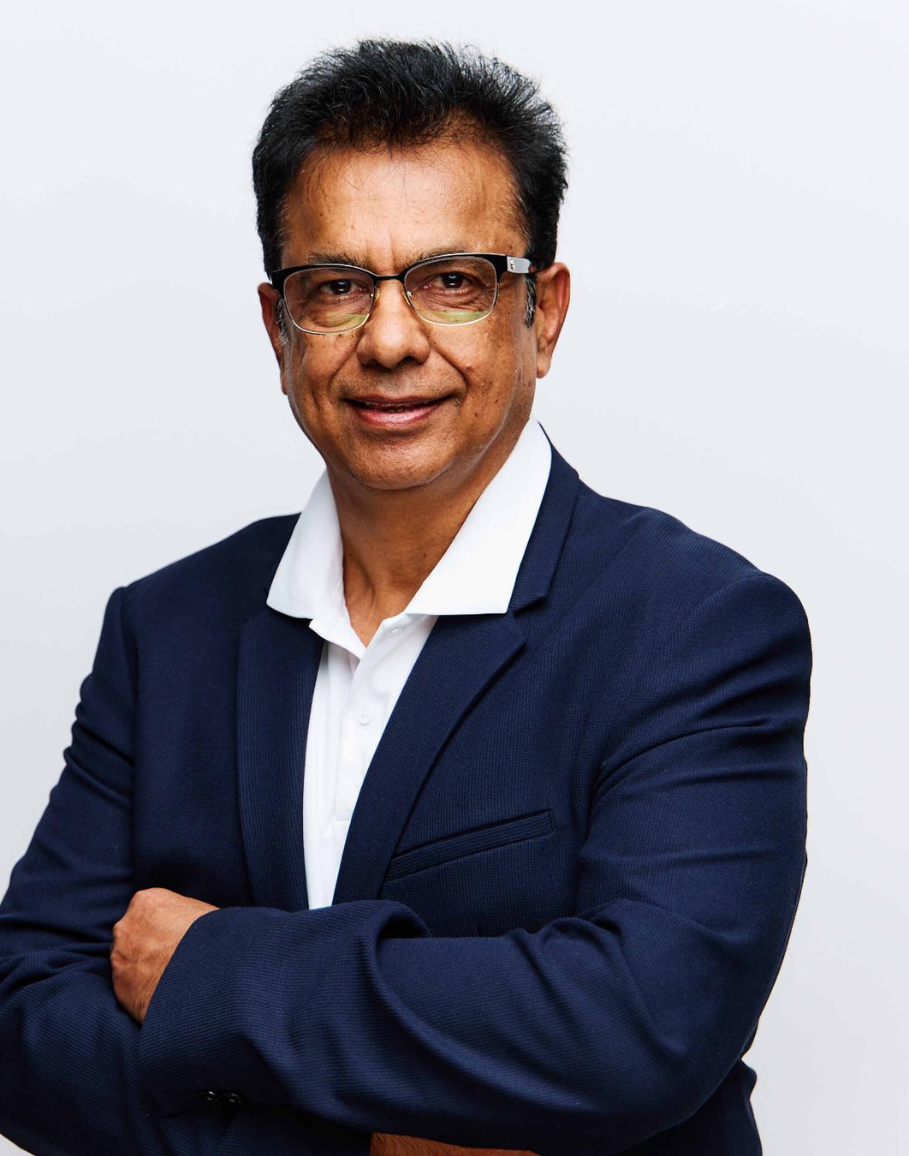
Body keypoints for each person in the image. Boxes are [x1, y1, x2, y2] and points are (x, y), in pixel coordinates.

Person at [0, 38, 812, 1156]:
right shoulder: (165, 629)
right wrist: (365, 1142)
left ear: (543, 314)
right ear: (279, 328)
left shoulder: (697, 626)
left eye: (451, 282)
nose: (388, 340)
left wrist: (212, 972)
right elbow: (22, 1019)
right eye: (336, 287)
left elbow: (641, 1025)